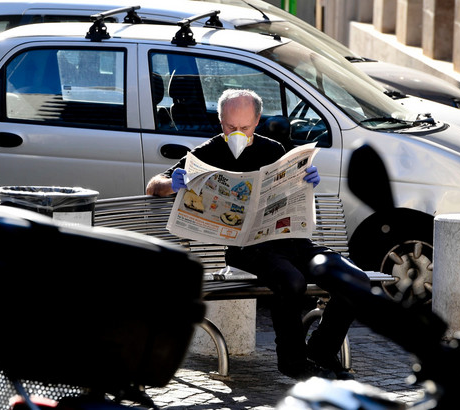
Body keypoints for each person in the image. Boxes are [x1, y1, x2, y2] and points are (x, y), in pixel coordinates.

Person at [146, 89, 370, 380]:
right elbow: (154, 185)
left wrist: (306, 181)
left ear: (257, 120)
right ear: (221, 121)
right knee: (291, 281)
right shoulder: (207, 152)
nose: (237, 133)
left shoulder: (274, 149)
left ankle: (320, 351)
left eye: (245, 127)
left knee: (357, 280)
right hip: (249, 248)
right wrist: (171, 184)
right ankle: (293, 362)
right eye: (230, 127)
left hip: (294, 242)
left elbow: (292, 193)